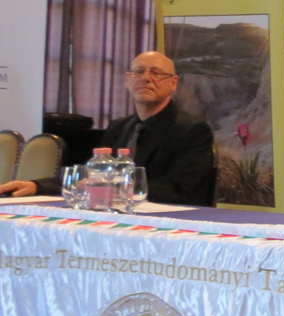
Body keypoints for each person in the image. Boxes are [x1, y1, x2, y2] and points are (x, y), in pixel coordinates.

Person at [0, 51, 216, 206]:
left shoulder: (192, 131)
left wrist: (110, 190)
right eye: (139, 71)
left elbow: (176, 188)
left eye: (156, 73)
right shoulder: (119, 127)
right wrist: (38, 186)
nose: (146, 78)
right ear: (127, 80)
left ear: (173, 83)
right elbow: (90, 175)